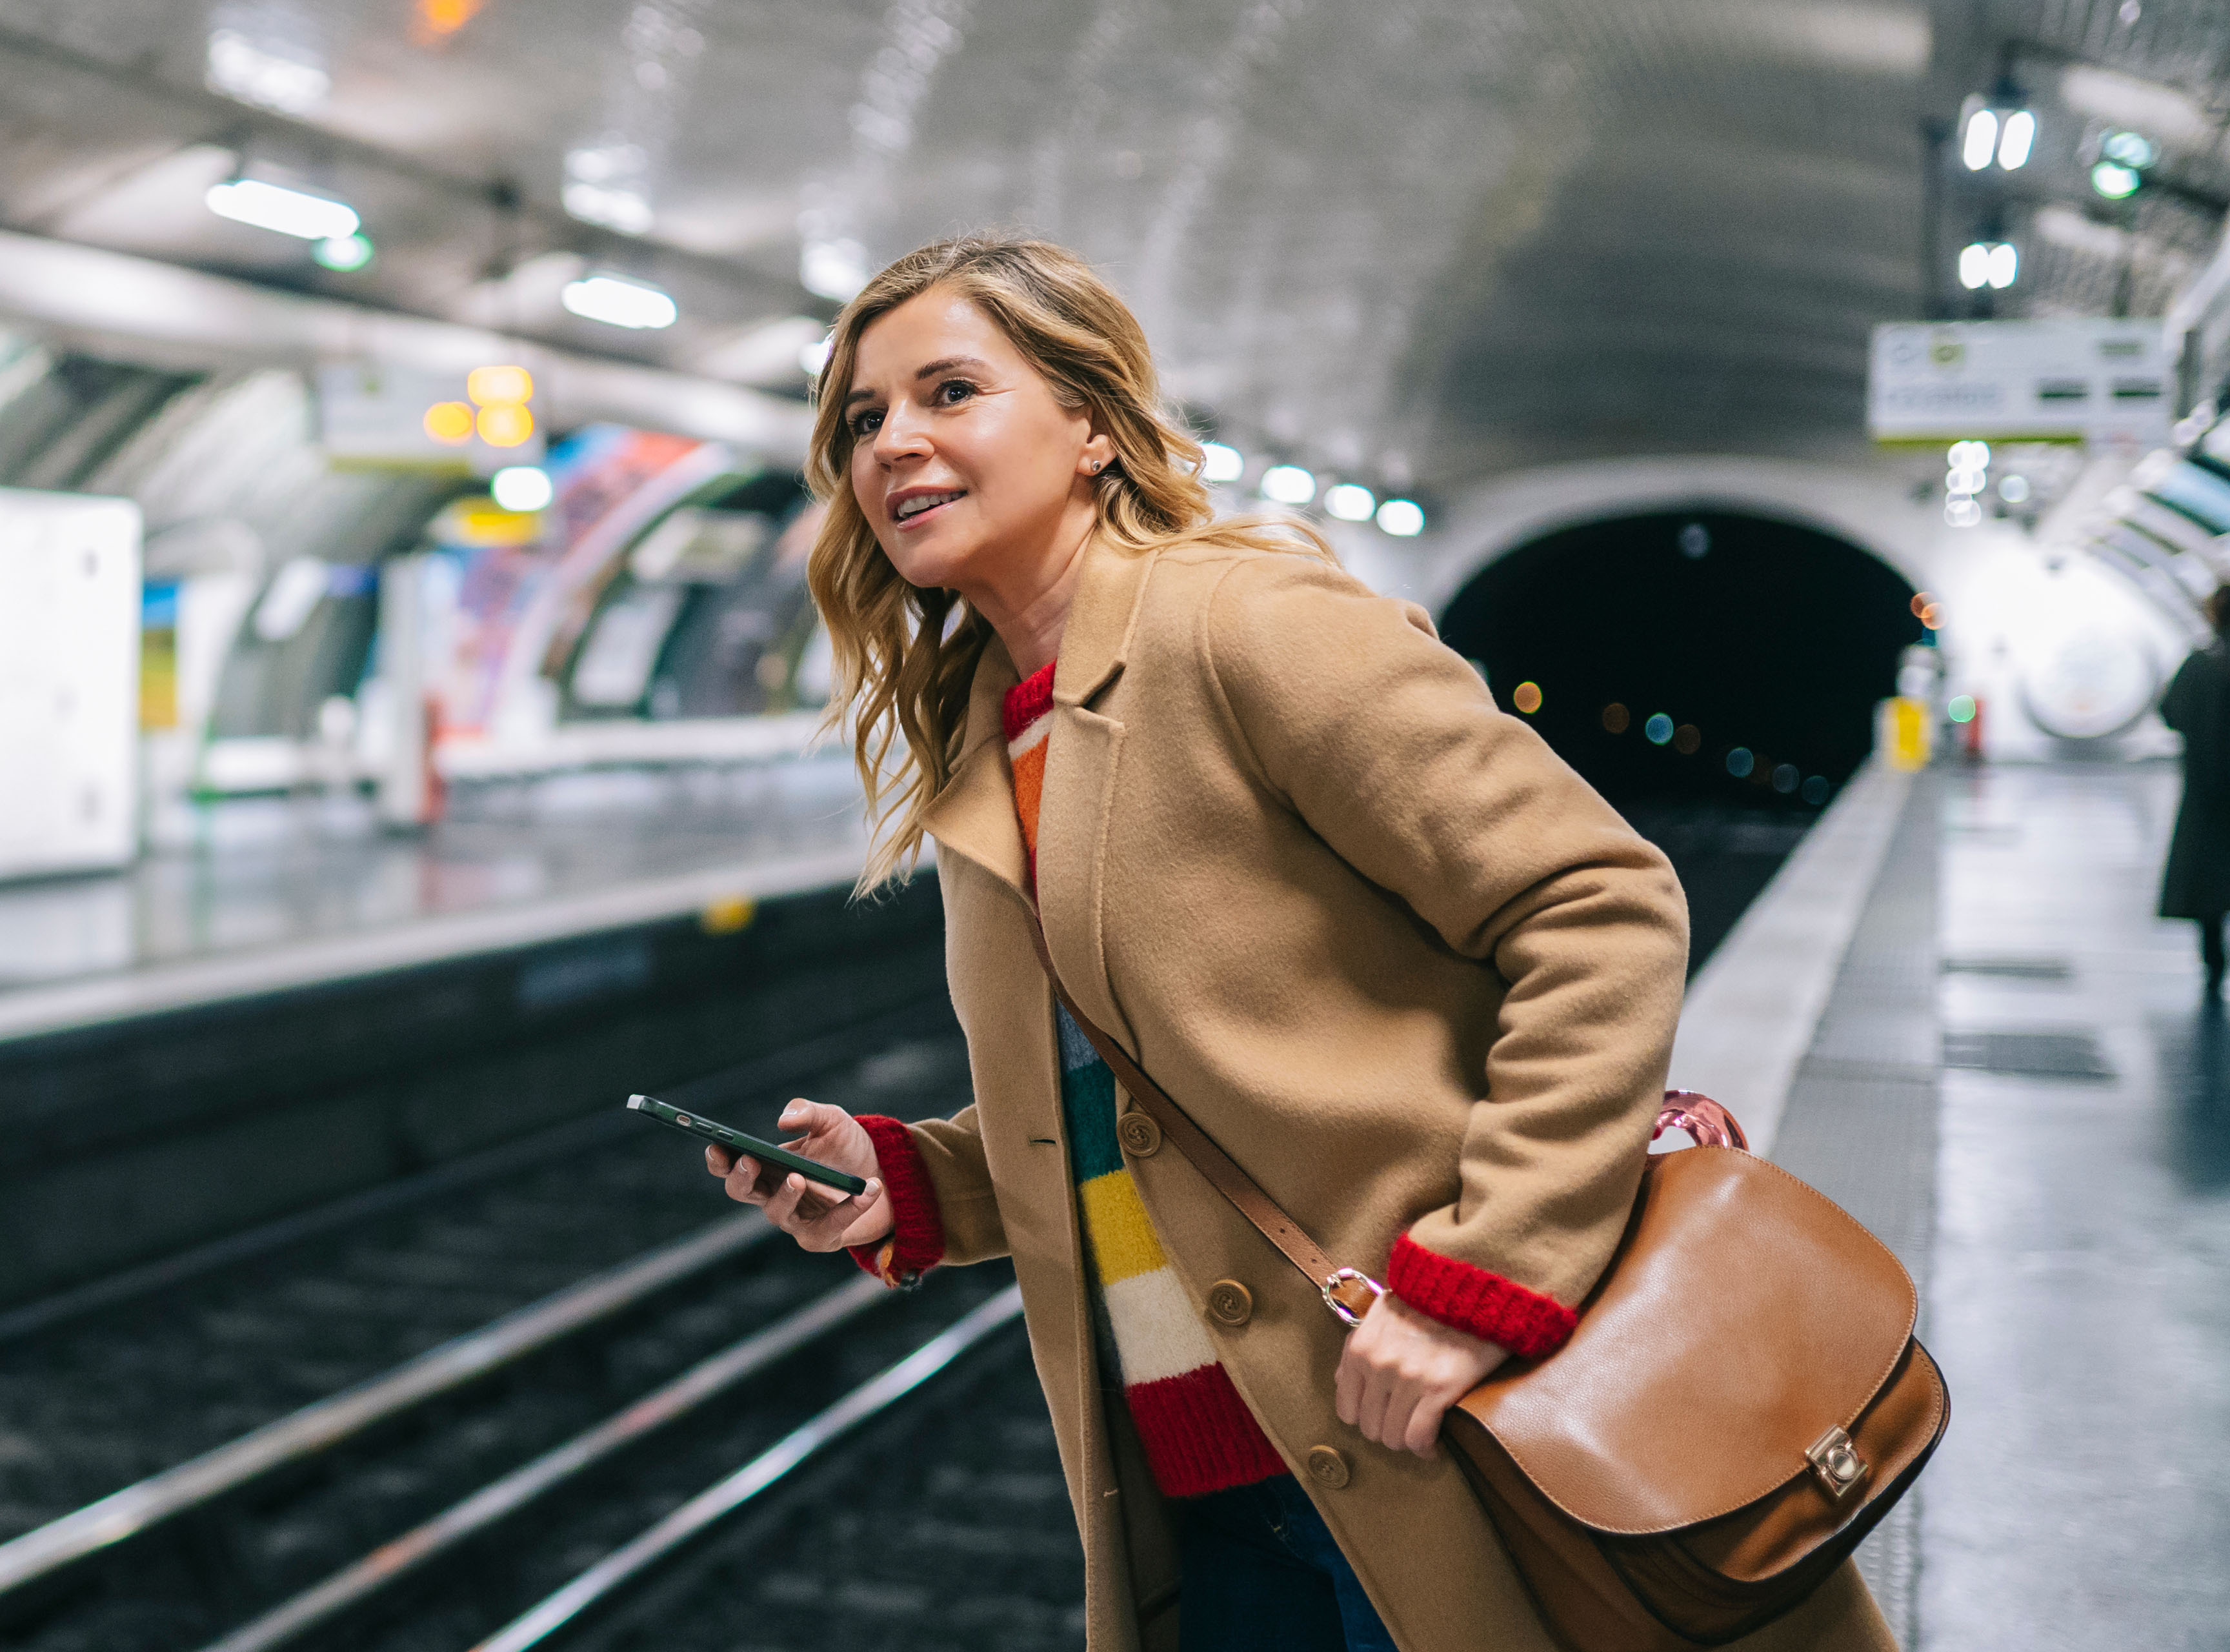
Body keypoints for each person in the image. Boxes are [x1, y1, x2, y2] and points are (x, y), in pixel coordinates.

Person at [706, 236, 1896, 1652]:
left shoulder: (1245, 627)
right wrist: (916, 1181)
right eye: (861, 417)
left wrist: (1482, 1280)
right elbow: (1134, 1101)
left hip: (1443, 1436)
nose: (895, 439)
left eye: (950, 390)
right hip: (1212, 1482)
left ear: (1092, 426)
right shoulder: (988, 738)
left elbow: (1597, 903)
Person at [2161, 587, 2230, 998]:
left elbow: (2171, 711)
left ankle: (2213, 957)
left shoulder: (2201, 663)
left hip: (2206, 791)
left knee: (2208, 880)